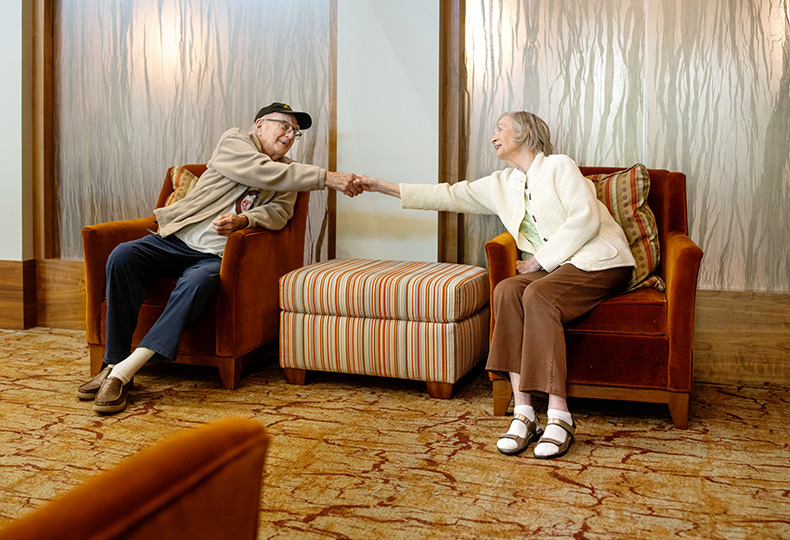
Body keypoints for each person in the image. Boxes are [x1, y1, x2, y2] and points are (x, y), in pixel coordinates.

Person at [356, 111, 635, 459]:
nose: (493, 137)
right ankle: (524, 412)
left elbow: (585, 218)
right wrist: (380, 186)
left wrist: (537, 261)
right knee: (506, 290)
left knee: (538, 294)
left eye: (500, 128)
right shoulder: (502, 184)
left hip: (600, 261)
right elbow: (448, 196)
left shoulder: (559, 167)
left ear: (525, 133)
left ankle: (560, 415)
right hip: (558, 268)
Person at [77, 101, 362, 414]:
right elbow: (259, 170)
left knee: (198, 283)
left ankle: (123, 371)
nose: (290, 135)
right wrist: (327, 178)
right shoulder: (235, 141)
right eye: (284, 125)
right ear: (260, 125)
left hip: (216, 256)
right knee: (123, 255)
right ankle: (114, 360)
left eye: (295, 132)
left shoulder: (289, 173)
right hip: (176, 240)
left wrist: (244, 220)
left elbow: (280, 213)